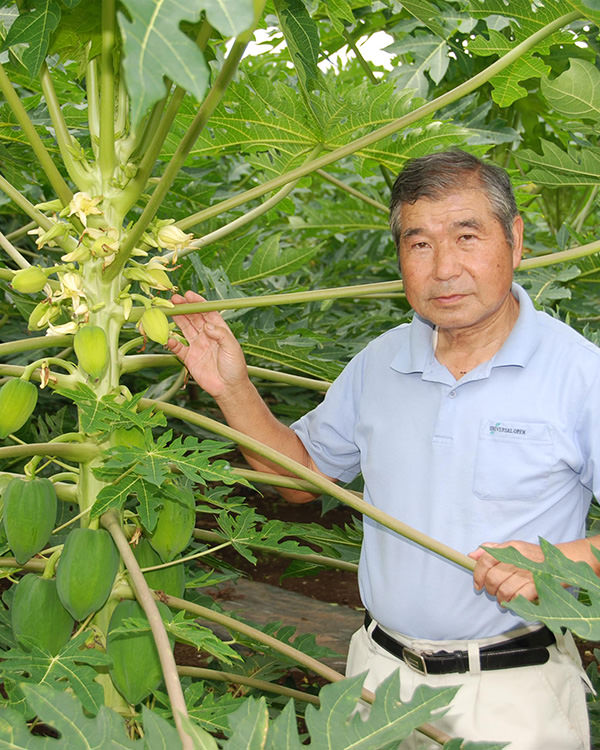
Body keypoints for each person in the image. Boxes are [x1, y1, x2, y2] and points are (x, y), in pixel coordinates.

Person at [167, 149, 600, 749]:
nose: (444, 268)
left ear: (515, 240)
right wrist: (232, 389)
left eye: (467, 236)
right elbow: (302, 478)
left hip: (512, 694)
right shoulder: (380, 362)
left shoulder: (581, 376)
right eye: (419, 244)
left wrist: (560, 561)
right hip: (377, 678)